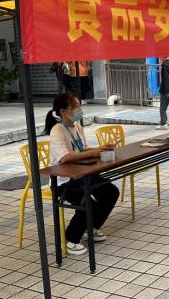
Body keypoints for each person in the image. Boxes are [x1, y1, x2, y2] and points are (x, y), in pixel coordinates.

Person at [44, 93, 120, 256]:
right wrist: (94, 152)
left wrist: (101, 148)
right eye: (76, 106)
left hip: (82, 174)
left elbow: (83, 149)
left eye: (80, 105)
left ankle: (91, 228)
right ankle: (70, 239)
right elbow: (65, 157)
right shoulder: (57, 131)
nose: (80, 109)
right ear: (63, 111)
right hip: (63, 181)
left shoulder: (77, 126)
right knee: (87, 203)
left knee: (111, 192)